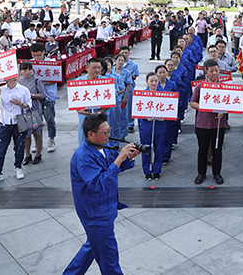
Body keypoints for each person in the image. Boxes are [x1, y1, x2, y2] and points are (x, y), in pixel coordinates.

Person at [63, 113, 139, 274]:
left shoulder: (101, 148)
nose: (109, 135)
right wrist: (119, 159)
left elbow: (113, 168)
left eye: (109, 131)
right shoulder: (83, 156)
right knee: (109, 258)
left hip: (104, 207)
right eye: (105, 132)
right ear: (91, 134)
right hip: (95, 213)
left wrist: (128, 158)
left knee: (93, 246)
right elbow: (98, 182)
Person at [0, 76, 33, 185]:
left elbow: (29, 105)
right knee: (0, 149)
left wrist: (20, 104)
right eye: (11, 77)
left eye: (16, 76)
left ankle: (18, 168)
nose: (14, 78)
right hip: (4, 122)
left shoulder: (24, 90)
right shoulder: (0, 89)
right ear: (6, 78)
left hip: (19, 122)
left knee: (19, 147)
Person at [190, 59, 229, 185]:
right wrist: (205, 106)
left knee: (217, 150)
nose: (215, 73)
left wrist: (224, 110)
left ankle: (217, 173)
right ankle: (201, 173)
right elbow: (192, 103)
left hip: (219, 124)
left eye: (216, 71)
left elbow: (230, 103)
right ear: (205, 72)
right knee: (203, 150)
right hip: (203, 123)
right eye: (211, 71)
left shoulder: (224, 86)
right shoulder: (200, 87)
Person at [137, 72, 167, 181]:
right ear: (147, 82)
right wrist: (145, 117)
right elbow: (138, 112)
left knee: (159, 149)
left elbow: (169, 109)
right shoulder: (142, 95)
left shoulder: (164, 94)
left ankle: (157, 170)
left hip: (159, 126)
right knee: (146, 149)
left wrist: (164, 116)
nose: (154, 83)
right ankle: (147, 170)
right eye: (151, 81)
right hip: (146, 126)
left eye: (156, 81)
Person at [17, 62, 46, 165]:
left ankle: (38, 154)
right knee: (26, 133)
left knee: (37, 132)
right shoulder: (18, 82)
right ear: (20, 71)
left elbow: (42, 95)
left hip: (34, 109)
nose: (27, 72)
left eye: (29, 69)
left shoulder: (36, 80)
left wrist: (32, 95)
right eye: (24, 70)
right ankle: (27, 155)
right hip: (23, 110)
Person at [76, 59, 109, 145]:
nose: (97, 70)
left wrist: (99, 112)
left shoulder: (106, 82)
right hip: (85, 115)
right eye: (94, 68)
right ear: (87, 68)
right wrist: (79, 110)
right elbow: (75, 101)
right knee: (84, 138)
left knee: (101, 137)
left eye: (99, 67)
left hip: (101, 115)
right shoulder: (79, 82)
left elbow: (109, 102)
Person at [119, 46, 139, 132]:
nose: (124, 54)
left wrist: (126, 74)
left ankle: (130, 124)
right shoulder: (116, 65)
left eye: (126, 52)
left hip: (129, 88)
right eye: (122, 53)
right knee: (119, 107)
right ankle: (120, 124)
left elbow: (134, 77)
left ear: (129, 53)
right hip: (119, 89)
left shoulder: (133, 65)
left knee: (129, 106)